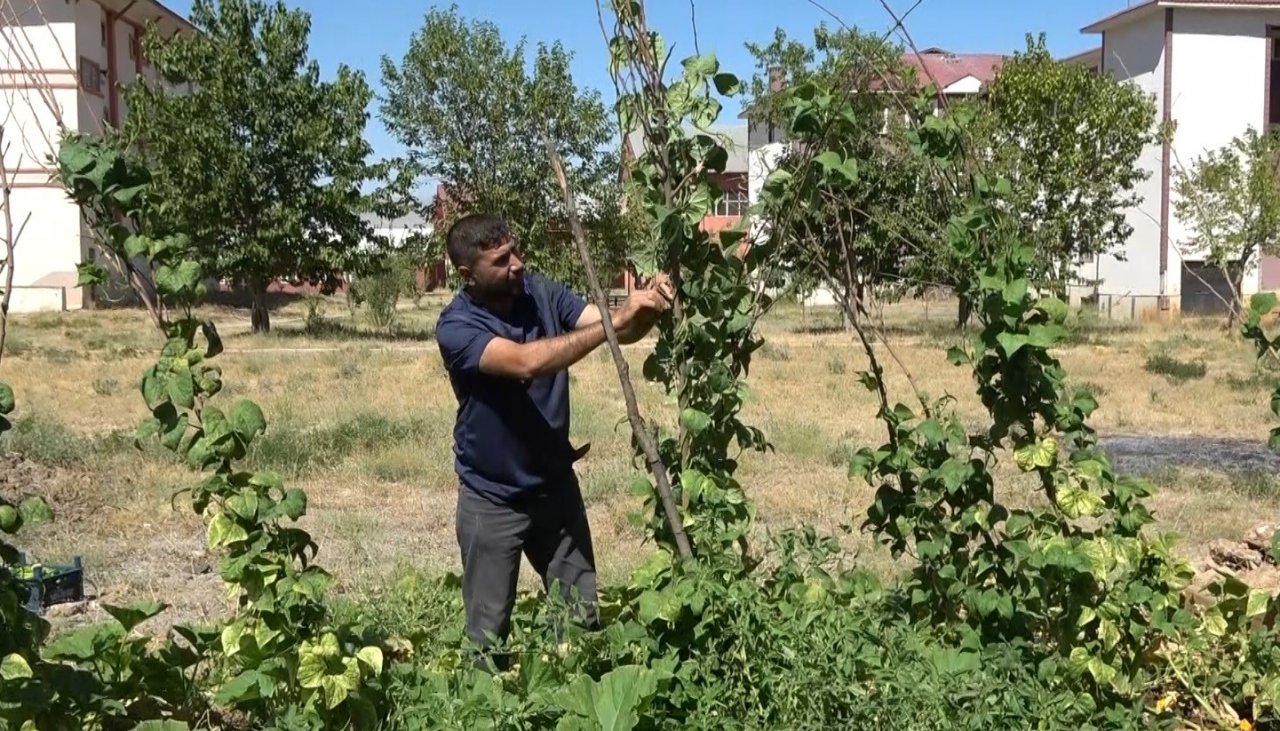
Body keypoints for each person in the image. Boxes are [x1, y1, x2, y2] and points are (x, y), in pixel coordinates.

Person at [433, 212, 672, 670]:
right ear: (468, 275)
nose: (517, 264)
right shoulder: (457, 327)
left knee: (582, 618)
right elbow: (525, 362)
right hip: (491, 498)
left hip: (554, 490)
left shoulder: (540, 292)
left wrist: (645, 310)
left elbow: (614, 329)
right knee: (488, 636)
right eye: (502, 260)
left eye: (516, 250)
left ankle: (579, 703)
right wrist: (612, 321)